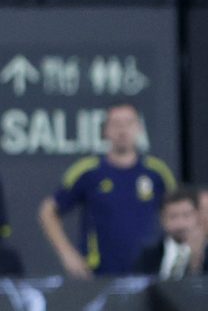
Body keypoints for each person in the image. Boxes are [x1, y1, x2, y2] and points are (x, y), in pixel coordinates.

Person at [38, 102, 175, 277]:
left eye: (129, 123)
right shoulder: (88, 171)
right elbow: (48, 211)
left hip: (150, 270)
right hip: (99, 272)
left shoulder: (156, 172)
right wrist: (67, 254)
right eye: (116, 124)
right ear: (105, 130)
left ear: (139, 128)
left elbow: (178, 212)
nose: (122, 130)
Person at [136, 186, 208, 277]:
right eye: (173, 217)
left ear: (198, 216)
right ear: (163, 220)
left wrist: (196, 263)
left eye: (186, 215)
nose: (180, 224)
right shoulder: (148, 257)